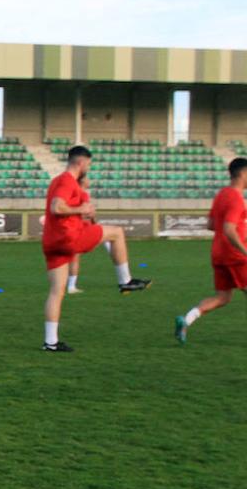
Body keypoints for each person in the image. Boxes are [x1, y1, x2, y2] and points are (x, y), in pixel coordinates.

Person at [41, 145, 151, 352]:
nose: (88, 169)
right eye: (88, 165)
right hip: (68, 238)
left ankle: (50, 342)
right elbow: (56, 207)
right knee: (117, 232)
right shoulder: (66, 181)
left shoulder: (57, 181)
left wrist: (83, 212)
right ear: (81, 163)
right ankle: (125, 281)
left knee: (57, 292)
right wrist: (81, 209)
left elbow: (63, 208)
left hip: (52, 242)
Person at [175, 157, 247, 344]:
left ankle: (187, 320)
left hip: (218, 254)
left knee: (223, 297)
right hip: (236, 255)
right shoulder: (236, 198)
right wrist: (244, 248)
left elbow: (211, 225)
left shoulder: (221, 194)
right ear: (243, 174)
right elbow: (229, 229)